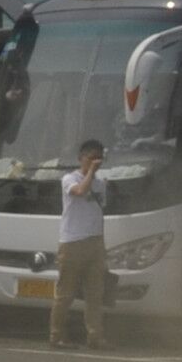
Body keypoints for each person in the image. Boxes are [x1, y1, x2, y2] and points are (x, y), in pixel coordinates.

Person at [54, 136, 112, 350]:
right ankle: (57, 335)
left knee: (95, 294)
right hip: (72, 242)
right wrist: (90, 173)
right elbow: (79, 192)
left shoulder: (100, 183)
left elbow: (99, 210)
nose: (96, 162)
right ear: (81, 158)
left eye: (99, 158)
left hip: (94, 242)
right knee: (65, 294)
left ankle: (95, 336)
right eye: (91, 158)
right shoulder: (70, 179)